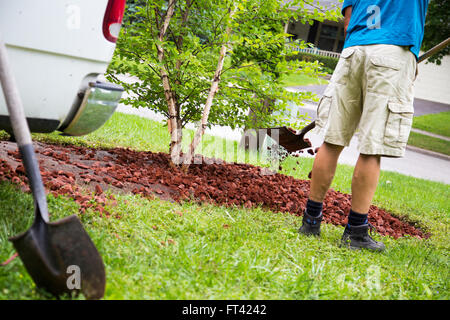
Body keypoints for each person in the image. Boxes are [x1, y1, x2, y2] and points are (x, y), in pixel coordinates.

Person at [298, 0, 430, 251]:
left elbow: (348, 22)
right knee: (372, 146)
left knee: (333, 141)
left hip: (353, 51)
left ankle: (311, 221)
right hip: (393, 52)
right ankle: (356, 232)